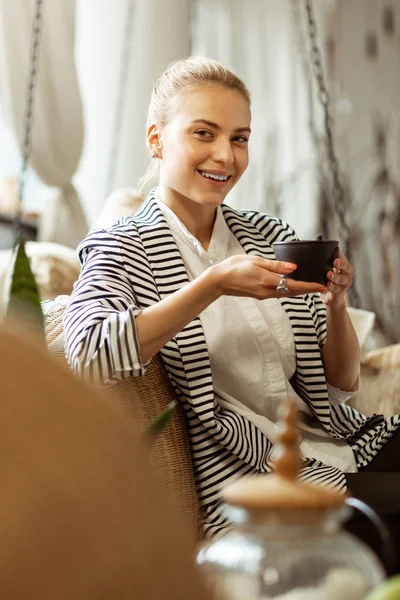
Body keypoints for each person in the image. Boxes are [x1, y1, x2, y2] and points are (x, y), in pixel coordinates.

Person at [64, 56, 400, 542]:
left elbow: (341, 381)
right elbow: (89, 355)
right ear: (157, 139)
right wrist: (212, 284)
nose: (225, 155)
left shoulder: (269, 234)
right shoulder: (125, 246)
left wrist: (336, 302)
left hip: (338, 439)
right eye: (204, 133)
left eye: (239, 138)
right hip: (252, 470)